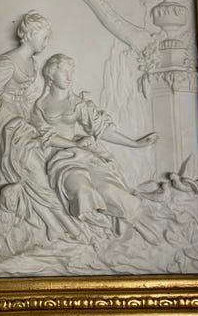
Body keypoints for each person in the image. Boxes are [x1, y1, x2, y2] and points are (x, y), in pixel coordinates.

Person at [0, 13, 81, 241]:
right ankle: (70, 228)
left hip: (19, 117)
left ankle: (54, 227)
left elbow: (23, 98)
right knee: (35, 174)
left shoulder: (31, 63)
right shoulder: (7, 63)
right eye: (44, 37)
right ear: (30, 35)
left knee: (29, 177)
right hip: (3, 125)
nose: (47, 42)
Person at [32, 54, 159, 238]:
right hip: (62, 160)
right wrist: (75, 144)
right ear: (51, 74)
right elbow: (47, 136)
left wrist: (135, 144)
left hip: (85, 155)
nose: (69, 77)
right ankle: (100, 230)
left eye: (71, 72)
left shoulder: (77, 103)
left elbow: (102, 129)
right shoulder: (40, 106)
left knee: (108, 190)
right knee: (82, 191)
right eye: (64, 72)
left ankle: (136, 224)